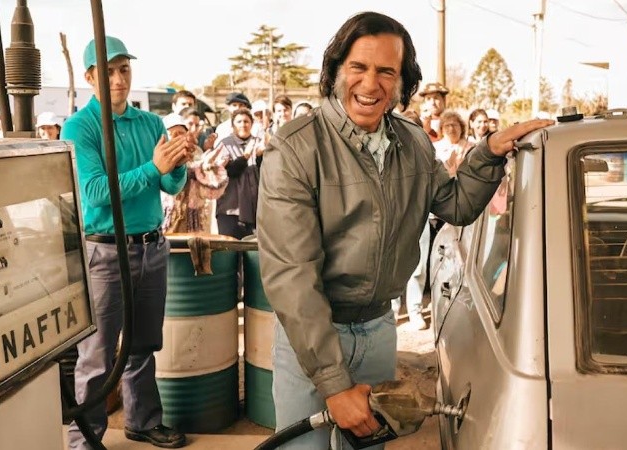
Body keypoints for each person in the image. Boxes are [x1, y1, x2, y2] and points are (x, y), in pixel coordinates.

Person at [256, 11, 553, 449]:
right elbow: (292, 277)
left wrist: (488, 152)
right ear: (336, 70)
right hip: (312, 338)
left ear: (402, 81)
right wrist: (334, 383)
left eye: (386, 71)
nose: (370, 83)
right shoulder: (295, 147)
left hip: (379, 329)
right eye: (358, 67)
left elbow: (455, 204)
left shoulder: (411, 140)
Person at [61, 35, 190, 449]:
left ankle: (142, 420)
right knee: (97, 354)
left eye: (124, 69)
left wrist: (178, 164)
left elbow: (170, 184)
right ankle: (85, 440)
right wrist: (154, 167)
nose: (118, 79)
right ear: (90, 77)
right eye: (108, 71)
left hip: (152, 246)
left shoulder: (150, 123)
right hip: (105, 251)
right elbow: (96, 191)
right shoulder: (79, 127)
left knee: (143, 345)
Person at [161, 113, 228, 233]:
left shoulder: (196, 152)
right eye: (172, 133)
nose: (176, 137)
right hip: (168, 213)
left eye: (180, 133)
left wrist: (210, 169)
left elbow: (210, 189)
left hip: (195, 216)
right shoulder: (159, 155)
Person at [215, 107, 263, 239]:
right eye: (239, 121)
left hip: (256, 211)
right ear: (232, 125)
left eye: (246, 121)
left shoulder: (259, 143)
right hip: (230, 210)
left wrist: (260, 156)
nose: (243, 125)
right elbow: (228, 172)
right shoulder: (224, 144)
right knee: (229, 248)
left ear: (252, 124)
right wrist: (245, 157)